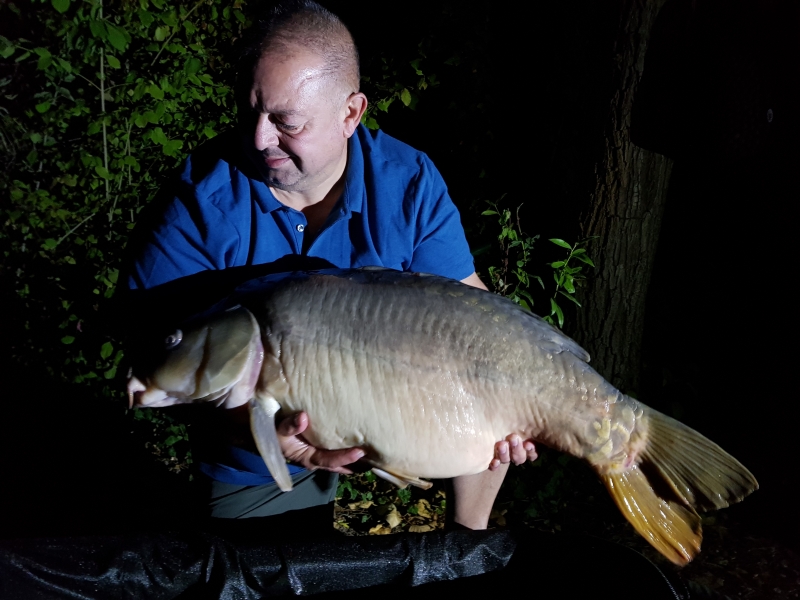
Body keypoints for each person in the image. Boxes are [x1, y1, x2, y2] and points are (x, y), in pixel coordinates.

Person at [128, 0, 537, 531]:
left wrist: (480, 503)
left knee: (491, 425)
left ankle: (464, 546)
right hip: (258, 461)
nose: (259, 138)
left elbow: (477, 329)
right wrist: (257, 434)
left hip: (396, 412)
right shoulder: (196, 206)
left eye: (285, 121)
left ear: (351, 114)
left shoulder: (407, 181)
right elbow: (154, 359)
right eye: (249, 110)